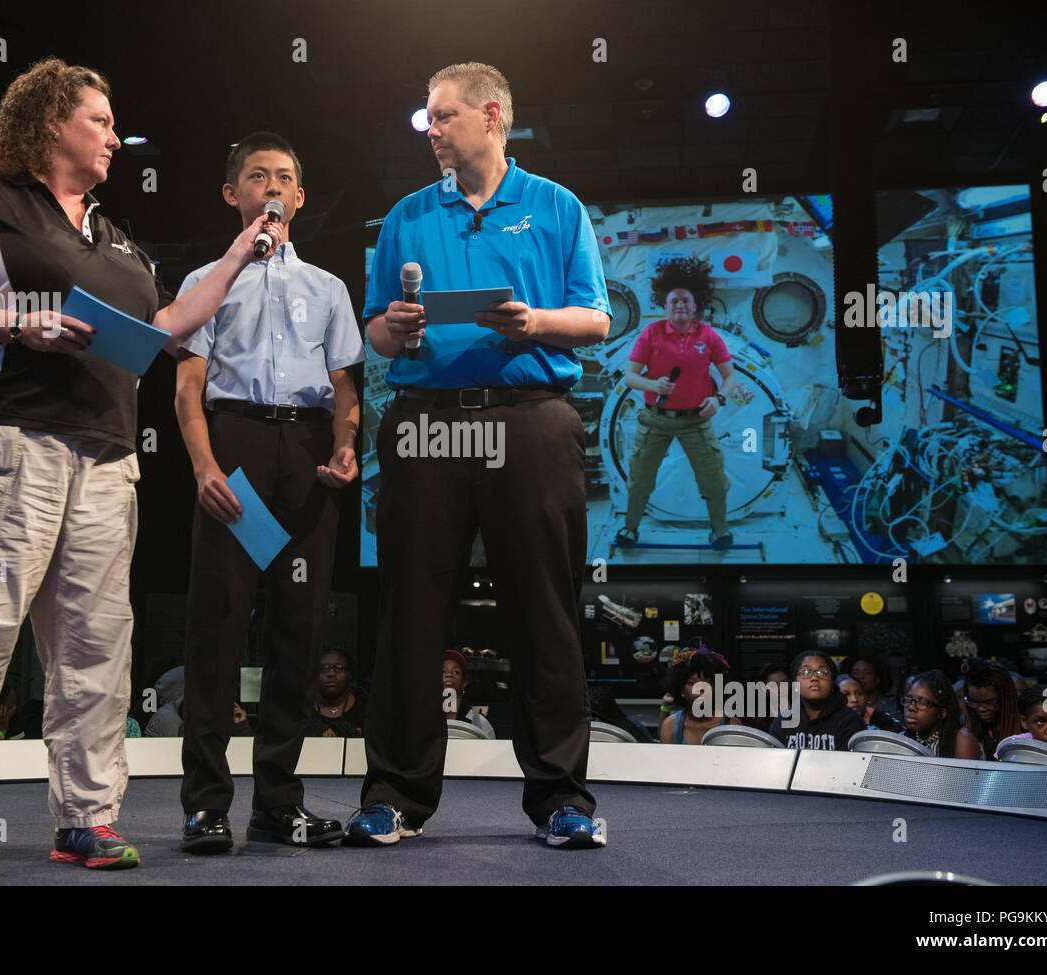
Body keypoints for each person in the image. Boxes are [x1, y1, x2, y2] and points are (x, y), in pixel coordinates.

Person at [0, 58, 284, 885]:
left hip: (103, 464)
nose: (112, 135)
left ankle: (86, 818)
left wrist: (242, 252)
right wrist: (17, 322)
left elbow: (171, 324)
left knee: (97, 650)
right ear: (49, 123)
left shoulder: (117, 239)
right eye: (99, 121)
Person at [347, 62, 611, 850]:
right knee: (409, 614)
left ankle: (562, 799)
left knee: (546, 615)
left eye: (443, 115)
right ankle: (394, 796)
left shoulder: (556, 206)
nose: (431, 128)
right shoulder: (405, 215)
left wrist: (531, 325)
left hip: (531, 421)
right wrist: (396, 329)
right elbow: (373, 334)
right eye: (426, 117)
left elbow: (596, 322)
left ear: (492, 115)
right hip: (425, 422)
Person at [175, 132, 363, 853]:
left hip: (308, 455)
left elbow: (347, 387)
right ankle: (205, 805)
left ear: (301, 196)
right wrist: (202, 467)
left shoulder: (328, 288)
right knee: (219, 628)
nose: (273, 186)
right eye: (258, 176)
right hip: (239, 450)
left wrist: (347, 446)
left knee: (299, 631)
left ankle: (278, 804)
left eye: (285, 176)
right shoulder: (206, 282)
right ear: (235, 194)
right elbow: (187, 389)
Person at [614, 256, 739, 550]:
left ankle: (720, 531)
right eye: (674, 302)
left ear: (696, 305)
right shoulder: (651, 334)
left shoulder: (708, 336)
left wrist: (718, 398)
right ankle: (630, 529)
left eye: (686, 301)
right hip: (655, 419)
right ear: (664, 305)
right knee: (640, 480)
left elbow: (730, 377)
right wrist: (653, 384)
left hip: (695, 420)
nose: (681, 306)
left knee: (714, 480)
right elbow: (630, 378)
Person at [768, 651, 864, 751]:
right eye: (805, 672)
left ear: (832, 683)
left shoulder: (850, 721)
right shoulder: (783, 720)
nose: (814, 678)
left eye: (822, 673)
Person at [659, 647, 734, 745]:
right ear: (681, 689)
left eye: (708, 682)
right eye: (692, 683)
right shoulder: (670, 726)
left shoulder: (732, 725)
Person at [899, 671, 981, 759]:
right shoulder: (902, 739)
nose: (911, 707)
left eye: (922, 702)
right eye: (909, 699)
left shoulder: (961, 740)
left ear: (942, 712)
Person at [961, 660, 1020, 759]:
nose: (980, 709)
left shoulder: (1026, 729)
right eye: (974, 702)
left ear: (1005, 697)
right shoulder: (965, 733)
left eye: (988, 702)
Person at [303, 650, 366, 738]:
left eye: (339, 668)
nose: (331, 674)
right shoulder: (303, 709)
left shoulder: (364, 707)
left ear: (349, 674)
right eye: (325, 668)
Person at [442, 649, 495, 738]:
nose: (449, 675)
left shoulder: (479, 722)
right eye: (442, 671)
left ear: (464, 683)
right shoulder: (424, 718)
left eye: (456, 672)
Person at [836, 674, 901, 733]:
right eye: (846, 695)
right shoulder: (829, 722)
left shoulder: (880, 718)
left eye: (859, 694)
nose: (854, 699)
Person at [846, 654, 900, 723]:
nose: (861, 676)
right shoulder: (845, 704)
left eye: (867, 673)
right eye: (855, 673)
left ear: (877, 678)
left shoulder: (890, 707)